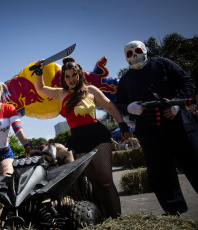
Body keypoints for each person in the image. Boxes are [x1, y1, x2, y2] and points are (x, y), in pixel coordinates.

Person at [34, 57, 131, 219]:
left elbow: (110, 106)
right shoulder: (61, 93)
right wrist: (39, 71)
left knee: (106, 182)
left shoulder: (91, 90)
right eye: (67, 76)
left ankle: (118, 220)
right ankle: (104, 218)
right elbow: (40, 88)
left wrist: (122, 125)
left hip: (98, 136)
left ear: (79, 75)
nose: (71, 79)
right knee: (96, 185)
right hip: (79, 140)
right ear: (63, 78)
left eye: (74, 75)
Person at [115, 40, 198, 215]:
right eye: (129, 54)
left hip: (179, 123)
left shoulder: (164, 64)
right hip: (149, 130)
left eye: (137, 51)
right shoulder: (125, 80)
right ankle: (174, 211)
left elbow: (187, 82)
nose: (134, 56)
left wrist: (177, 103)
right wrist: (129, 107)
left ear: (145, 51)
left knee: (194, 162)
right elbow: (119, 103)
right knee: (160, 173)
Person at [0, 79, 41, 225]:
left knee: (9, 186)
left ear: (1, 92)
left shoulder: (9, 109)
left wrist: (28, 148)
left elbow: (18, 129)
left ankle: (13, 221)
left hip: (4, 154)